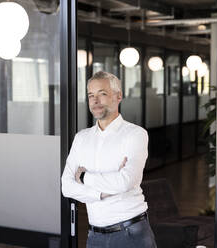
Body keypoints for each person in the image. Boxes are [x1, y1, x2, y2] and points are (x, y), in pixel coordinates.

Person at [61, 71, 157, 248]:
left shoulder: (135, 134)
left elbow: (125, 181)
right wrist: (103, 193)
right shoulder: (81, 138)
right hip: (95, 236)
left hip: (131, 233)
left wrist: (83, 178)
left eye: (102, 94)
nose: (95, 101)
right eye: (91, 95)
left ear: (118, 96)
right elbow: (66, 187)